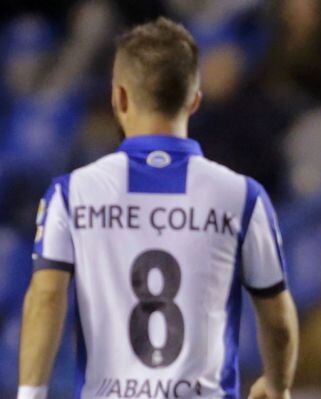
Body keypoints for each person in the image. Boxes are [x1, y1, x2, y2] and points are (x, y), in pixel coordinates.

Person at [17, 18, 298, 399]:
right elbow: (277, 318)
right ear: (194, 100)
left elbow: (46, 297)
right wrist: (278, 385)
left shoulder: (72, 194)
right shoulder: (242, 196)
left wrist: (29, 394)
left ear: (119, 98)